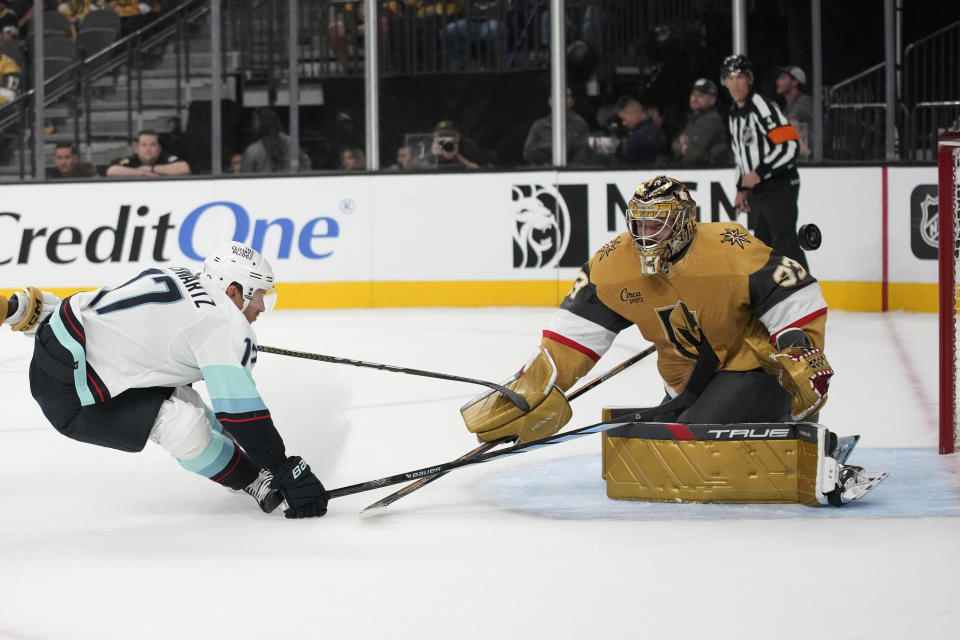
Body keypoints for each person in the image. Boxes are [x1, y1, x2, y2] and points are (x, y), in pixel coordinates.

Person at [460, 175, 886, 506]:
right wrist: (534, 389)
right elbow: (572, 338)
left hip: (749, 364)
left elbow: (793, 288)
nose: (644, 236)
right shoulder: (611, 265)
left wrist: (798, 345)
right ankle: (772, 430)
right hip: (686, 376)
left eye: (656, 225)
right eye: (638, 224)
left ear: (682, 224)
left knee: (688, 447)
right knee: (660, 438)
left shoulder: (728, 249)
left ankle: (802, 449)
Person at [0, 241, 329, 519]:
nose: (261, 307)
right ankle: (252, 479)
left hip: (65, 335)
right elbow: (241, 414)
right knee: (185, 427)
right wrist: (284, 468)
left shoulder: (178, 274)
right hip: (73, 394)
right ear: (233, 290)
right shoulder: (224, 324)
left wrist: (25, 309)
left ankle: (249, 466)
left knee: (191, 405)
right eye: (258, 296)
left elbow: (113, 315)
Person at [722, 54, 808, 270]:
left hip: (780, 184)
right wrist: (742, 188)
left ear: (750, 79)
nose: (736, 83)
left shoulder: (761, 106)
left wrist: (759, 172)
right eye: (730, 78)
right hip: (761, 190)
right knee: (762, 248)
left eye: (740, 77)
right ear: (724, 82)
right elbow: (742, 154)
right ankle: (773, 299)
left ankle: (806, 297)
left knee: (784, 242)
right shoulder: (734, 112)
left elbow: (790, 146)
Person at [522, 86, 593, 166]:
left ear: (572, 102)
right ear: (550, 101)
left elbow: (580, 156)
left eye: (566, 96)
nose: (561, 99)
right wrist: (553, 150)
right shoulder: (539, 125)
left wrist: (542, 148)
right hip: (544, 174)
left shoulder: (580, 125)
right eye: (556, 95)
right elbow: (528, 152)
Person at [672, 78, 731, 166]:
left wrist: (685, 150)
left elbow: (694, 155)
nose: (694, 99)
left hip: (709, 173)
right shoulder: (694, 119)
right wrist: (682, 148)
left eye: (700, 95)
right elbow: (675, 145)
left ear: (712, 100)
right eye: (693, 94)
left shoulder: (711, 120)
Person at [241, 108, 310, 174]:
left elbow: (246, 178)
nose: (253, 126)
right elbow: (305, 170)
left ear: (258, 126)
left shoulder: (253, 150)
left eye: (254, 123)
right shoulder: (291, 143)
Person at [442, 0, 504, 71]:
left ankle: (499, 70)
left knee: (492, 30)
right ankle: (459, 71)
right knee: (450, 30)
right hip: (472, 21)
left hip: (495, 20)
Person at [106, 130, 190, 177]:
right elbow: (112, 171)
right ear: (137, 148)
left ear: (159, 148)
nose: (148, 149)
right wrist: (144, 173)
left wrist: (151, 169)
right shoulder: (131, 160)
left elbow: (184, 168)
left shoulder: (165, 158)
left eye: (153, 145)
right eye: (144, 145)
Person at [616, 95, 668, 165]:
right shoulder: (657, 130)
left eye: (624, 119)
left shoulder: (638, 138)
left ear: (633, 113)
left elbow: (627, 167)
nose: (623, 123)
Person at [775, 65, 814, 159]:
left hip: (812, 157)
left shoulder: (805, 101)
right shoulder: (789, 106)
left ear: (795, 82)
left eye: (783, 78)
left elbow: (787, 124)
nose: (778, 82)